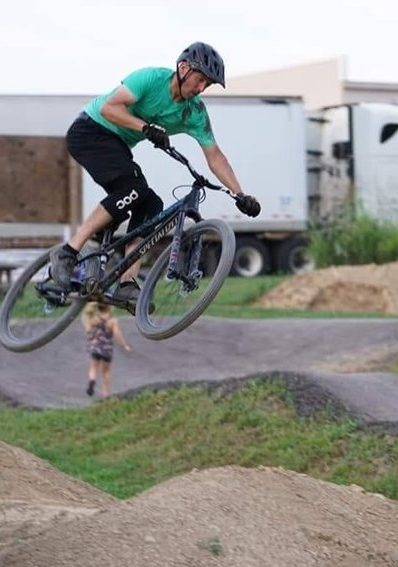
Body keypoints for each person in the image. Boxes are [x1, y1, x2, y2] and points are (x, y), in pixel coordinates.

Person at [50, 42, 260, 313]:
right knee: (133, 188)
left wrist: (239, 195)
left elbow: (215, 156)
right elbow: (109, 109)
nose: (200, 89)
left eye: (206, 85)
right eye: (200, 80)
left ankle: (127, 282)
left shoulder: (194, 112)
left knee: (151, 205)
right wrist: (146, 128)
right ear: (183, 68)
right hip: (90, 131)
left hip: (117, 145)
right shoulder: (150, 79)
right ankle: (67, 252)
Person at [82, 302, 131, 398]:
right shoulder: (112, 321)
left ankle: (92, 381)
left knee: (93, 367)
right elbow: (117, 334)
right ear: (109, 308)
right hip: (106, 349)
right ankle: (105, 393)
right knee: (106, 371)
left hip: (95, 347)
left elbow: (89, 329)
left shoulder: (94, 319)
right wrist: (124, 345)